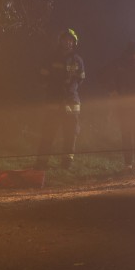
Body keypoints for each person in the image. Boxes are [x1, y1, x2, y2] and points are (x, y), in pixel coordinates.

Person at [35, 29, 85, 169]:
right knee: (48, 133)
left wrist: (69, 90)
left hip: (71, 102)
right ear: (60, 41)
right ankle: (41, 163)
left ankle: (67, 163)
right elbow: (42, 78)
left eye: (70, 40)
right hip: (53, 101)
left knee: (70, 134)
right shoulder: (51, 58)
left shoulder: (78, 60)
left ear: (74, 42)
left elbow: (80, 79)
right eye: (65, 39)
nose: (68, 42)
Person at [102, 41, 135, 170]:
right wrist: (113, 91)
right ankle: (128, 163)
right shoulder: (120, 64)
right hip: (125, 104)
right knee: (126, 132)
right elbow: (105, 76)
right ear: (133, 53)